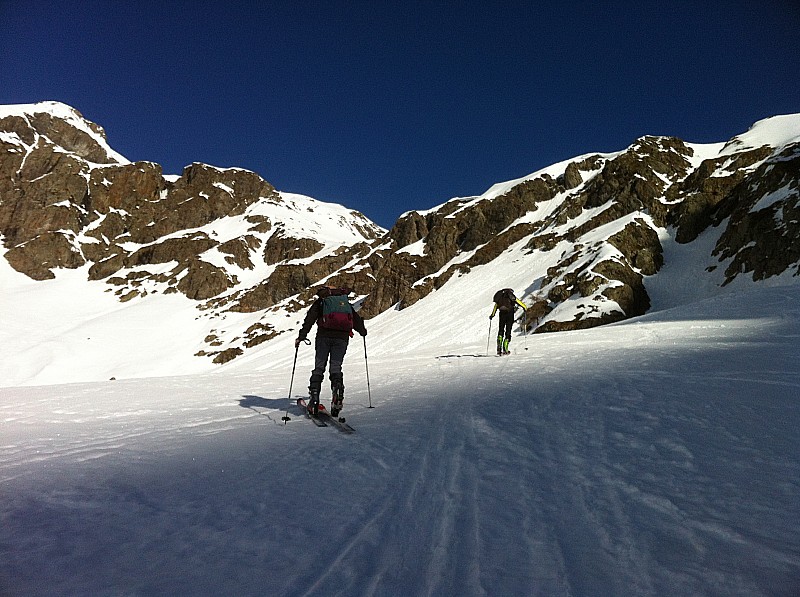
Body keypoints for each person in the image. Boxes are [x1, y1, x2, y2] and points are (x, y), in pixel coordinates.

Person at [295, 286, 367, 416]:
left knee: (319, 368)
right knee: (335, 367)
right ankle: (337, 391)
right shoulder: (344, 302)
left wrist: (302, 336)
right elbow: (355, 319)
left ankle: (314, 400)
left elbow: (310, 319)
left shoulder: (322, 301)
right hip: (342, 338)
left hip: (324, 336)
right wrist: (362, 331)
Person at [490, 288, 528, 355]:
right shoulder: (510, 295)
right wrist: (525, 307)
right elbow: (518, 302)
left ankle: (499, 346)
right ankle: (505, 348)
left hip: (501, 314)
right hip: (510, 314)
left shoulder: (500, 297)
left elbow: (496, 306)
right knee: (508, 331)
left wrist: (492, 315)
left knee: (501, 330)